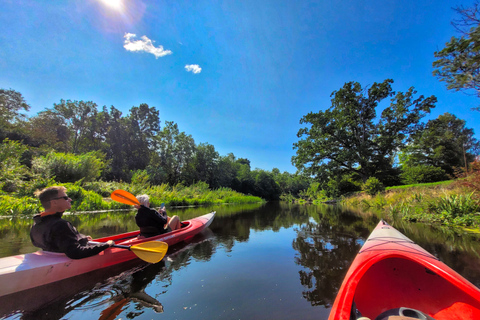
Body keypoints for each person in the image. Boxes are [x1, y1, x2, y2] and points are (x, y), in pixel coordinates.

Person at [30, 186, 115, 259]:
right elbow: (75, 253)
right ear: (54, 202)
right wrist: (106, 245)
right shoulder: (60, 225)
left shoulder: (37, 222)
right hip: (62, 262)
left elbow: (56, 240)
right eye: (65, 198)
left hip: (49, 256)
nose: (70, 199)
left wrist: (81, 238)